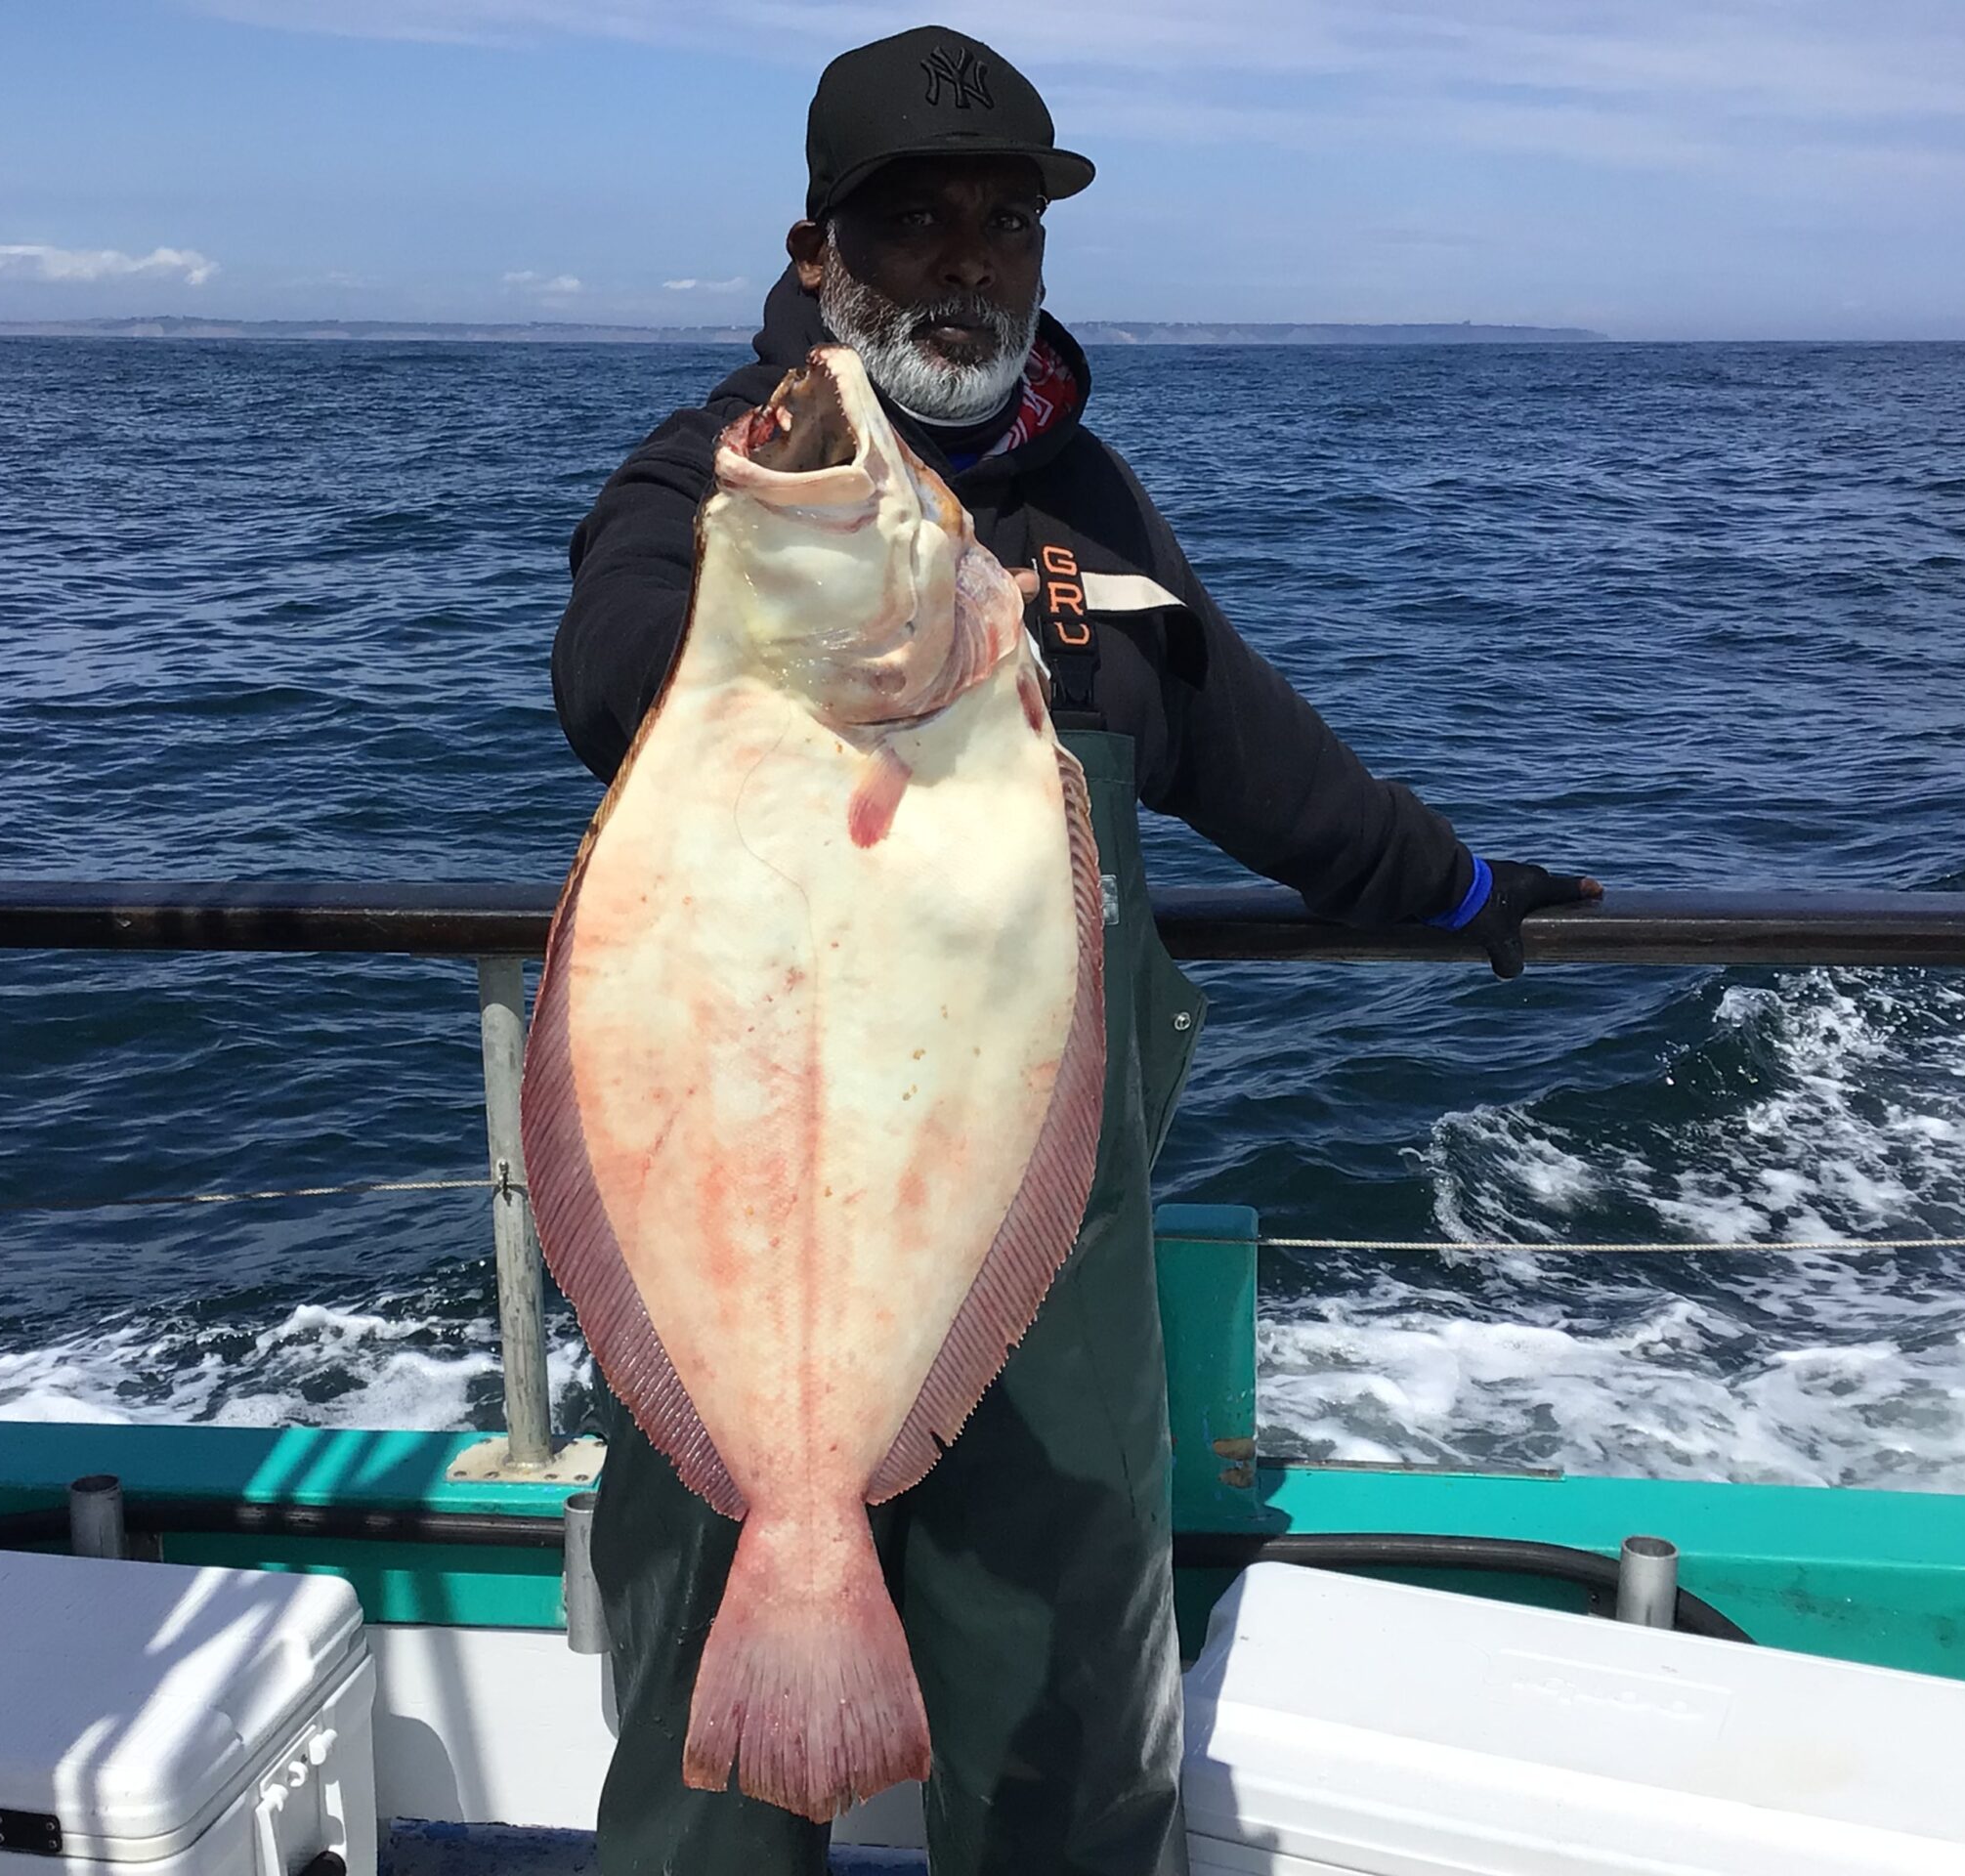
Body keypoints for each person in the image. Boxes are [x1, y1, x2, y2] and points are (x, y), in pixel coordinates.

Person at [549, 24, 1601, 1876]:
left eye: (1004, 221)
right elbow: (605, 668)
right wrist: (790, 627)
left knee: (1074, 1763)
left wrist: (1450, 887)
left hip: (1035, 1273)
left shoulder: (1093, 513)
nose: (967, 259)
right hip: (747, 1259)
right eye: (913, 219)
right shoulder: (723, 480)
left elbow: (1252, 750)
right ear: (818, 256)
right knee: (699, 1793)